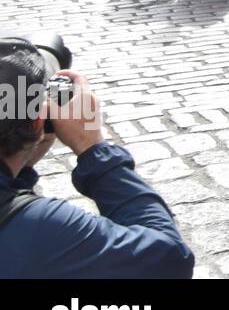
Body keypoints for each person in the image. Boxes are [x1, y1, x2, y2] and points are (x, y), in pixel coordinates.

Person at [0, 47, 195, 278]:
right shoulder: (38, 227)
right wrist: (92, 147)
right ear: (38, 122)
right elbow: (168, 258)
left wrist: (22, 165)